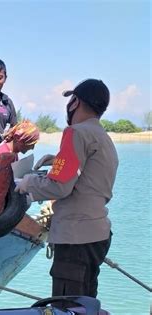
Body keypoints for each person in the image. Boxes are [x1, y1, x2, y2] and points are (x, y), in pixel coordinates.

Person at [15, 79, 118, 301]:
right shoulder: (103, 138)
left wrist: (28, 183)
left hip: (76, 238)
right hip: (97, 235)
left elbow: (60, 186)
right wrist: (58, 160)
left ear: (75, 102)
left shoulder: (76, 133)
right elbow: (91, 174)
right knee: (86, 303)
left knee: (68, 305)